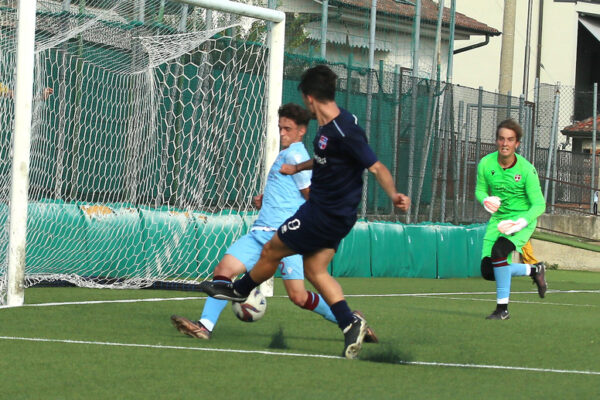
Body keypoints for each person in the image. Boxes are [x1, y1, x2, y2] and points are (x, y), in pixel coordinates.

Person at [200, 65, 410, 359]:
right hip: (337, 216)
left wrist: (394, 194)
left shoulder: (345, 130)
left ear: (309, 98)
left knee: (272, 249)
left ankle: (239, 290)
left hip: (322, 213)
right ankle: (350, 322)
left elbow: (376, 166)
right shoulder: (331, 127)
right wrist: (298, 167)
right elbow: (325, 159)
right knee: (315, 270)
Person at [170, 103, 377, 343]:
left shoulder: (297, 155)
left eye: (287, 129)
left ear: (301, 131)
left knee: (298, 297)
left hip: (285, 238)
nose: (282, 133)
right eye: (280, 128)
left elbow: (311, 194)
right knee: (223, 272)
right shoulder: (286, 154)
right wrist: (265, 198)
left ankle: (351, 320)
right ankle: (204, 326)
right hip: (260, 233)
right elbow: (291, 191)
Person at [476, 118, 547, 320]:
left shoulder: (526, 169)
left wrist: (522, 222)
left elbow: (539, 204)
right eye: (501, 139)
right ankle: (535, 270)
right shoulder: (485, 163)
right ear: (497, 141)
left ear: (517, 144)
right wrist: (485, 200)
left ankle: (502, 310)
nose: (505, 144)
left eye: (510, 140)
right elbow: (480, 190)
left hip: (521, 221)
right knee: (489, 271)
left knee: (499, 252)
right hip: (498, 220)